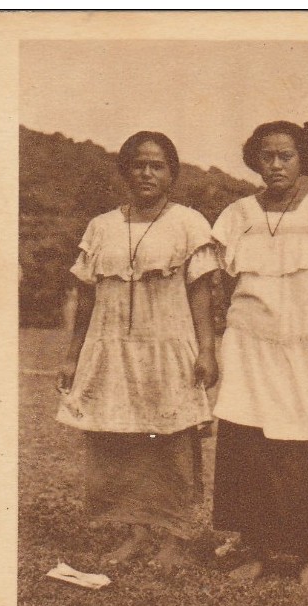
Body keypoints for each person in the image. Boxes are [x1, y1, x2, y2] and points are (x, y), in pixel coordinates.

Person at [56, 131, 218, 570]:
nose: (147, 173)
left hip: (168, 347)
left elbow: (202, 293)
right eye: (139, 164)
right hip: (111, 349)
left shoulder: (189, 223)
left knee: (170, 443)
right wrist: (72, 355)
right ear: (125, 170)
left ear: (172, 173)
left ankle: (174, 537)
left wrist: (207, 349)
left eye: (158, 165)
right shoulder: (101, 226)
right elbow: (86, 297)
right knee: (120, 440)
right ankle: (135, 532)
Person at [210, 120, 308, 586]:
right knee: (247, 445)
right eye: (268, 156)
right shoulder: (237, 214)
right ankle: (253, 548)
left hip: (302, 346)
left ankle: (306, 553)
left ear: (303, 161)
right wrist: (217, 343)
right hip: (248, 346)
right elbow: (220, 285)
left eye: (286, 156)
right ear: (256, 159)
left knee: (301, 446)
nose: (275, 165)